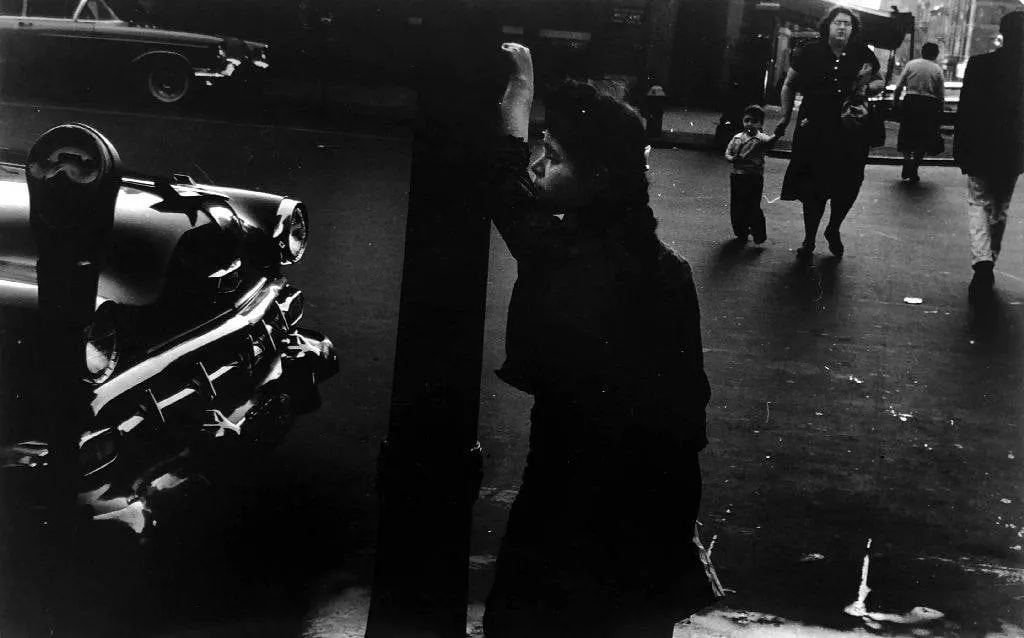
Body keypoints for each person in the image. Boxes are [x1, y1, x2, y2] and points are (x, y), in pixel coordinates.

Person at [482, 42, 723, 638]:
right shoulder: (667, 271)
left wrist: (520, 94)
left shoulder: (559, 254)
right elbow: (689, 406)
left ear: (597, 180)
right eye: (543, 148)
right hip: (648, 501)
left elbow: (505, 186)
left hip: (565, 482)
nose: (540, 164)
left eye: (555, 157)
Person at [774, 6, 885, 258]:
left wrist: (865, 89)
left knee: (848, 184)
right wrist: (785, 116)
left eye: (847, 23)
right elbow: (789, 84)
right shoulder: (809, 50)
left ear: (853, 29)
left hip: (850, 131)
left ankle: (833, 228)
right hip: (814, 129)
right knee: (813, 187)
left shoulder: (861, 52)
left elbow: (880, 80)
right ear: (828, 25)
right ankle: (809, 239)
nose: (842, 27)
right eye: (838, 23)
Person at [954, 11, 1024, 303]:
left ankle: (982, 262)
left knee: (978, 202)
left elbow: (966, 109)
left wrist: (960, 149)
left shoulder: (980, 64)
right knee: (1000, 205)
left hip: (981, 148)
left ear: (1002, 33)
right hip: (1013, 152)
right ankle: (989, 259)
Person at [724, 104, 778, 244]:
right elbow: (728, 153)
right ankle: (741, 232)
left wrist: (778, 134)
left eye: (754, 121)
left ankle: (759, 233)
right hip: (737, 176)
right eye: (747, 120)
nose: (750, 124)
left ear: (761, 124)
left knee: (753, 206)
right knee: (737, 205)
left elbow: (771, 142)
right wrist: (732, 158)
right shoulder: (737, 138)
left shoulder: (762, 139)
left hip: (754, 177)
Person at [894, 42, 946, 183]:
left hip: (911, 101)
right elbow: (940, 93)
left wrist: (895, 102)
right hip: (929, 105)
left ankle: (906, 161)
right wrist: (941, 108)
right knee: (923, 137)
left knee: (906, 133)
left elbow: (899, 86)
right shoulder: (937, 70)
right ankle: (915, 168)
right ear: (935, 54)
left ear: (922, 52)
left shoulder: (911, 64)